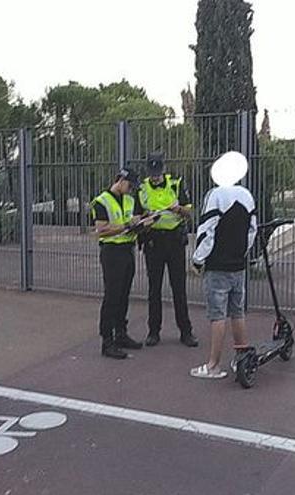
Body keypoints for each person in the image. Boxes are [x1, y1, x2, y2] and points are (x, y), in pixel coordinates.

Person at [190, 151, 257, 379]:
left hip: (217, 265)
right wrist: (242, 252)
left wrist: (198, 259)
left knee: (217, 315)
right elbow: (252, 230)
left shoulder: (215, 196)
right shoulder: (247, 196)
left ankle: (213, 365)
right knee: (237, 312)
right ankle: (242, 359)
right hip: (238, 264)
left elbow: (206, 231)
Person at [138, 152, 199, 348]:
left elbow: (189, 212)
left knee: (178, 288)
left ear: (163, 170)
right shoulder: (141, 189)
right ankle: (153, 332)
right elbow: (136, 218)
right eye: (152, 172)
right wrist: (145, 220)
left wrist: (178, 209)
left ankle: (186, 331)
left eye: (158, 172)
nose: (155, 176)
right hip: (153, 241)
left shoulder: (176, 184)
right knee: (154, 289)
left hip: (174, 241)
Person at [90, 168, 150, 359]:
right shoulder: (101, 201)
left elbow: (132, 221)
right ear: (121, 180)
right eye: (130, 185)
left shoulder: (130, 200)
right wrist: (126, 226)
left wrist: (143, 222)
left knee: (124, 294)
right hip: (112, 252)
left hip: (127, 249)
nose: (132, 190)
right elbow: (102, 230)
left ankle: (121, 334)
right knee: (112, 296)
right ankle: (107, 341)